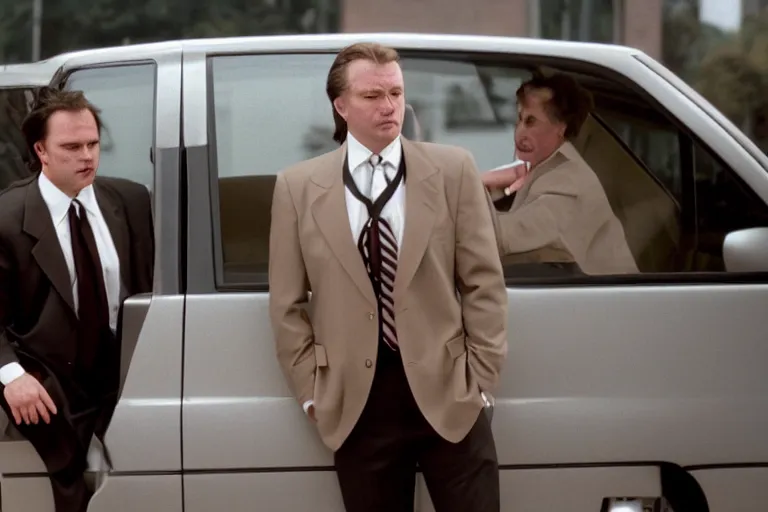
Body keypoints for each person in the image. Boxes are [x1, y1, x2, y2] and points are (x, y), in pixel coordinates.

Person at [269, 42, 508, 512]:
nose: (389, 106)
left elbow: (484, 283)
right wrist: (312, 394)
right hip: (356, 402)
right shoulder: (298, 187)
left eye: (396, 93)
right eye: (373, 95)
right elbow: (286, 303)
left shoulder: (452, 169)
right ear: (340, 105)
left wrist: (480, 379)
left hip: (449, 390)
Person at [0, 87, 155, 512]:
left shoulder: (131, 200)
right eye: (71, 146)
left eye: (92, 144)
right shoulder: (8, 217)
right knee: (71, 487)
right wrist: (11, 376)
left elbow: (148, 287)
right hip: (48, 377)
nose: (86, 156)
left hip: (121, 374)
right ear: (41, 151)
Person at [482, 73, 638, 275]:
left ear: (561, 127)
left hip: (609, 303)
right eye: (519, 120)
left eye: (531, 122)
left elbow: (506, 237)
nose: (519, 132)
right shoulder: (542, 168)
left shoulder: (569, 180)